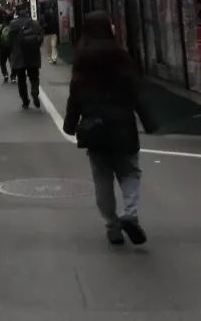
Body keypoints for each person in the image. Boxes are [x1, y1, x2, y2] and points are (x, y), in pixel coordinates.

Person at [63, 12, 158, 246]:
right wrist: (148, 121)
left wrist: (70, 123)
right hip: (122, 124)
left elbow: (75, 95)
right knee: (129, 172)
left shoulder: (82, 59)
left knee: (102, 179)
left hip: (93, 128)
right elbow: (136, 92)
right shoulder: (121, 56)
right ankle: (130, 213)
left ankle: (111, 225)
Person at [7, 3, 44, 109]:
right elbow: (40, 37)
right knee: (34, 76)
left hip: (19, 54)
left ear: (16, 12)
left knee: (21, 79)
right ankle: (35, 91)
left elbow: (9, 40)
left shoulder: (13, 24)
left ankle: (25, 101)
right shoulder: (34, 23)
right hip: (33, 53)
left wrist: (12, 50)